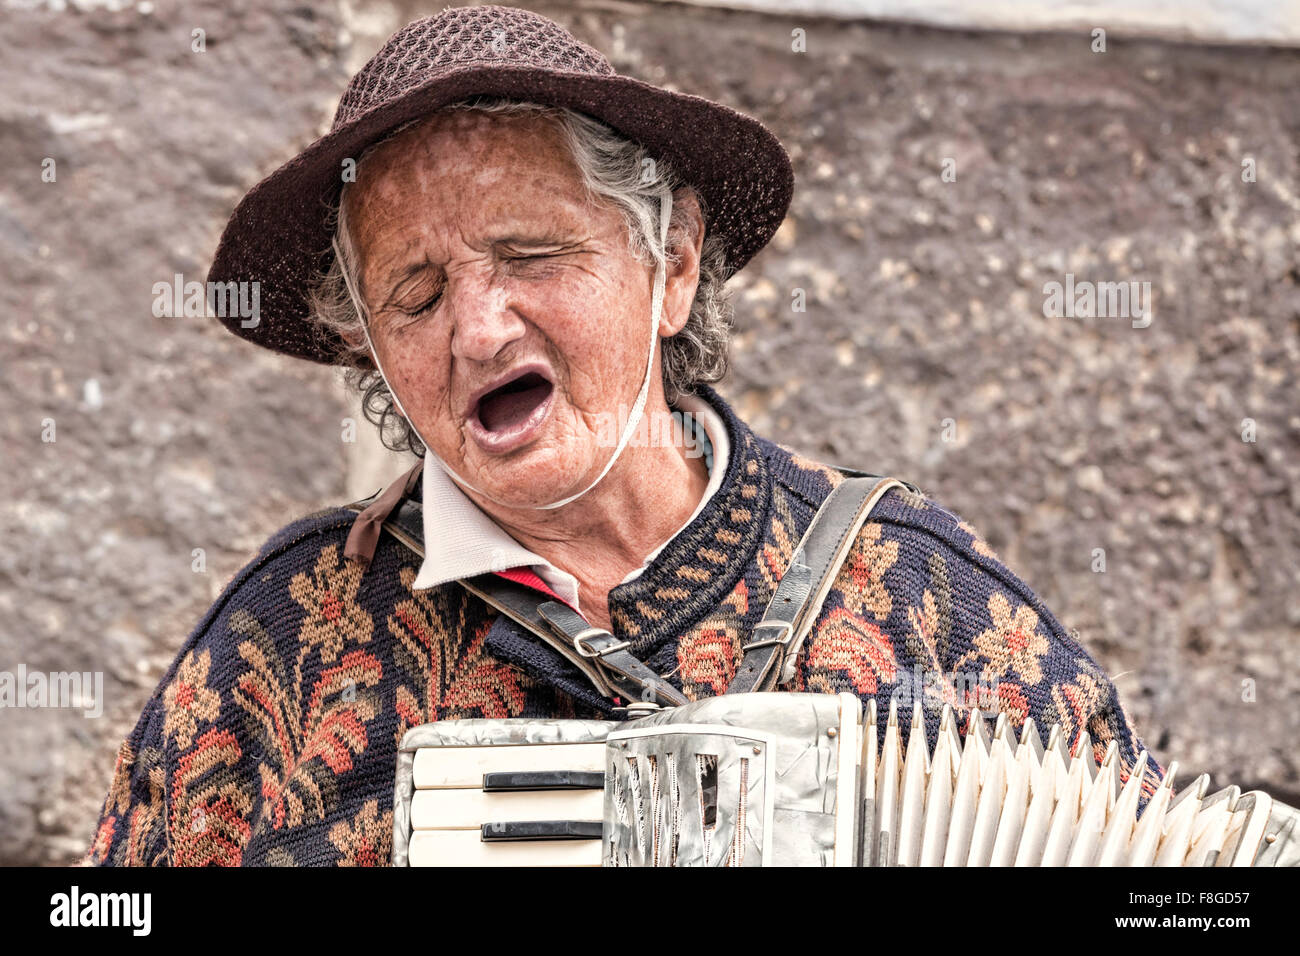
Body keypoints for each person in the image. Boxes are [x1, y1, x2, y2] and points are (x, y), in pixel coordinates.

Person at [88, 4, 1158, 867]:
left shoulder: (924, 597)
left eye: (531, 254)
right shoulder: (285, 636)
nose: (477, 328)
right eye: (414, 297)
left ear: (674, 265)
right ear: (370, 349)